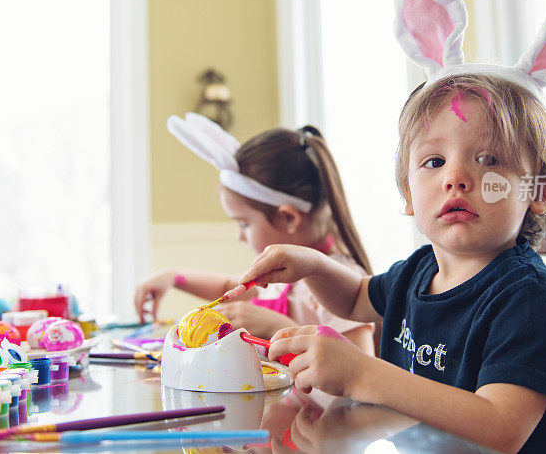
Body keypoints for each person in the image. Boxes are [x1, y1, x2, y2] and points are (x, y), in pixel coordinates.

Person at [237, 0, 546, 453]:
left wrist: (365, 375)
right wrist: (311, 264)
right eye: (432, 163)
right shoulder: (417, 273)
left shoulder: (528, 300)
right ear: (407, 194)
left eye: (490, 158)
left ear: (537, 191)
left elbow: (500, 429)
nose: (457, 177)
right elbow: (356, 297)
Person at [134, 112, 375, 354]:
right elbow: (228, 287)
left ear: (289, 217)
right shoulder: (279, 275)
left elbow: (359, 379)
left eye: (244, 223)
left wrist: (278, 328)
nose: (239, 236)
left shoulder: (340, 284)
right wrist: (173, 277)